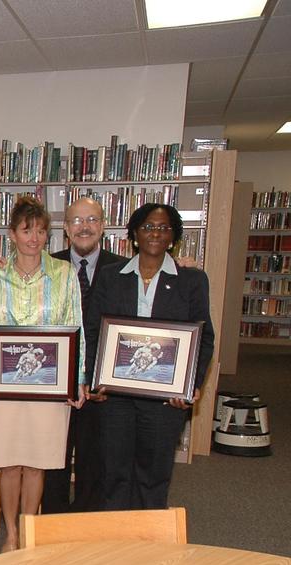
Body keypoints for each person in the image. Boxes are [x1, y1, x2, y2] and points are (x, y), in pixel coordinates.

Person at [85, 203, 214, 509]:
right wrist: (94, 380)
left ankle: (149, 546)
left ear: (173, 237)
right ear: (134, 234)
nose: (155, 233)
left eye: (163, 228)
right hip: (114, 398)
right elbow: (93, 331)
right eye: (148, 227)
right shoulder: (110, 276)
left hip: (165, 401)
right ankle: (117, 542)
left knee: (154, 476)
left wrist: (188, 385)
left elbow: (204, 337)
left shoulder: (192, 280)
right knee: (113, 473)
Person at [0, 195, 85, 552]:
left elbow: (77, 327)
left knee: (38, 463)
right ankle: (10, 534)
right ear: (12, 234)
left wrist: (78, 379)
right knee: (9, 463)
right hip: (4, 385)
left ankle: (28, 533)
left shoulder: (65, 274)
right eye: (26, 230)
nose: (34, 238)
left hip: (49, 386)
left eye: (41, 231)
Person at [41, 197, 127, 513]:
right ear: (66, 228)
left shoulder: (124, 269)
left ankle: (88, 523)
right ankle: (52, 521)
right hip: (57, 381)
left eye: (92, 220)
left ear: (103, 226)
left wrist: (180, 266)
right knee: (54, 457)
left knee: (97, 459)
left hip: (103, 385)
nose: (85, 227)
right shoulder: (48, 266)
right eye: (77, 220)